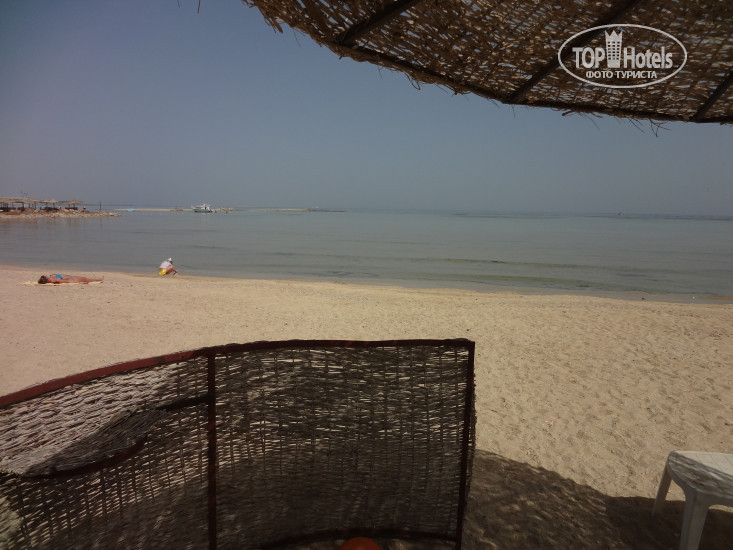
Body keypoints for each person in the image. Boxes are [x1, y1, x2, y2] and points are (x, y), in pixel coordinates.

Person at [38, 274, 103, 284]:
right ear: (46, 278)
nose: (46, 275)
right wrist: (80, 283)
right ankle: (99, 279)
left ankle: (98, 279)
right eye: (45, 276)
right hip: (73, 279)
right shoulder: (55, 280)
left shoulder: (51, 277)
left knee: (87, 278)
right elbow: (67, 282)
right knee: (86, 279)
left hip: (72, 277)